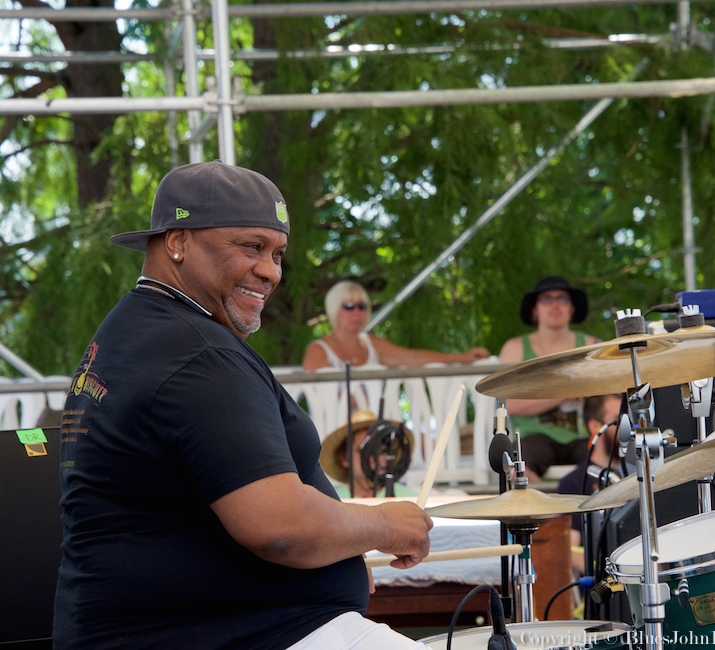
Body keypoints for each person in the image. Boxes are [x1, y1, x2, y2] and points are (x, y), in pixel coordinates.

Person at [53, 161, 434, 649]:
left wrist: (341, 545)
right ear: (178, 241)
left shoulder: (140, 329)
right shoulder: (198, 356)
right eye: (250, 247)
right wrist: (382, 524)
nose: (270, 271)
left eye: (277, 253)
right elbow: (279, 527)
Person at [497, 275, 601, 483]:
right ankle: (546, 515)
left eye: (562, 298)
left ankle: (589, 515)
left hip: (584, 435)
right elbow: (509, 404)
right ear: (535, 310)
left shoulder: (591, 345)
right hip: (534, 436)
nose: (555, 305)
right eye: (546, 299)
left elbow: (609, 396)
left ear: (572, 308)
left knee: (605, 463)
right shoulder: (515, 348)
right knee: (519, 470)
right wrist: (563, 394)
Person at [301, 279, 490, 371]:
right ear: (334, 308)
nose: (357, 312)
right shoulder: (319, 351)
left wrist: (463, 357)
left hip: (375, 425)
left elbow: (413, 358)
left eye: (362, 306)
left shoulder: (371, 344)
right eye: (349, 306)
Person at [556, 393, 623, 575]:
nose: (628, 428)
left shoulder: (640, 473)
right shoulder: (574, 482)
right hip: (602, 589)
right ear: (595, 426)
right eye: (618, 421)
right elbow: (567, 550)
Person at [320, 408, 418, 498]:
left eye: (382, 450)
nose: (373, 456)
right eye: (364, 449)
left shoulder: (411, 500)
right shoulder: (332, 502)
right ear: (344, 458)